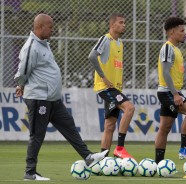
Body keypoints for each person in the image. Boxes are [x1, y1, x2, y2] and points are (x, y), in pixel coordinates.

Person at [14, 13, 108, 181]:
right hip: (39, 98)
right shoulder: (31, 47)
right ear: (40, 27)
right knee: (37, 134)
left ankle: (88, 157)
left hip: (52, 99)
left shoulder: (44, 44)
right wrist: (20, 84)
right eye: (50, 27)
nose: (52, 30)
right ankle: (30, 172)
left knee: (69, 126)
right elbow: (23, 69)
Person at [88, 13, 135, 158]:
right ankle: (120, 147)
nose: (124, 25)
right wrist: (104, 77)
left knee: (110, 124)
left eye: (124, 22)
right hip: (106, 87)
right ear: (112, 25)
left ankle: (102, 159)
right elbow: (91, 56)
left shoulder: (120, 43)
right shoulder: (105, 39)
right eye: (121, 22)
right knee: (129, 108)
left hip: (115, 88)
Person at [154, 17, 186, 164]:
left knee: (165, 128)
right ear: (172, 32)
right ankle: (184, 149)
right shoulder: (167, 48)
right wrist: (175, 93)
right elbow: (165, 72)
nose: (185, 33)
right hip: (168, 92)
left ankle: (158, 163)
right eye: (182, 30)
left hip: (171, 91)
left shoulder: (176, 49)